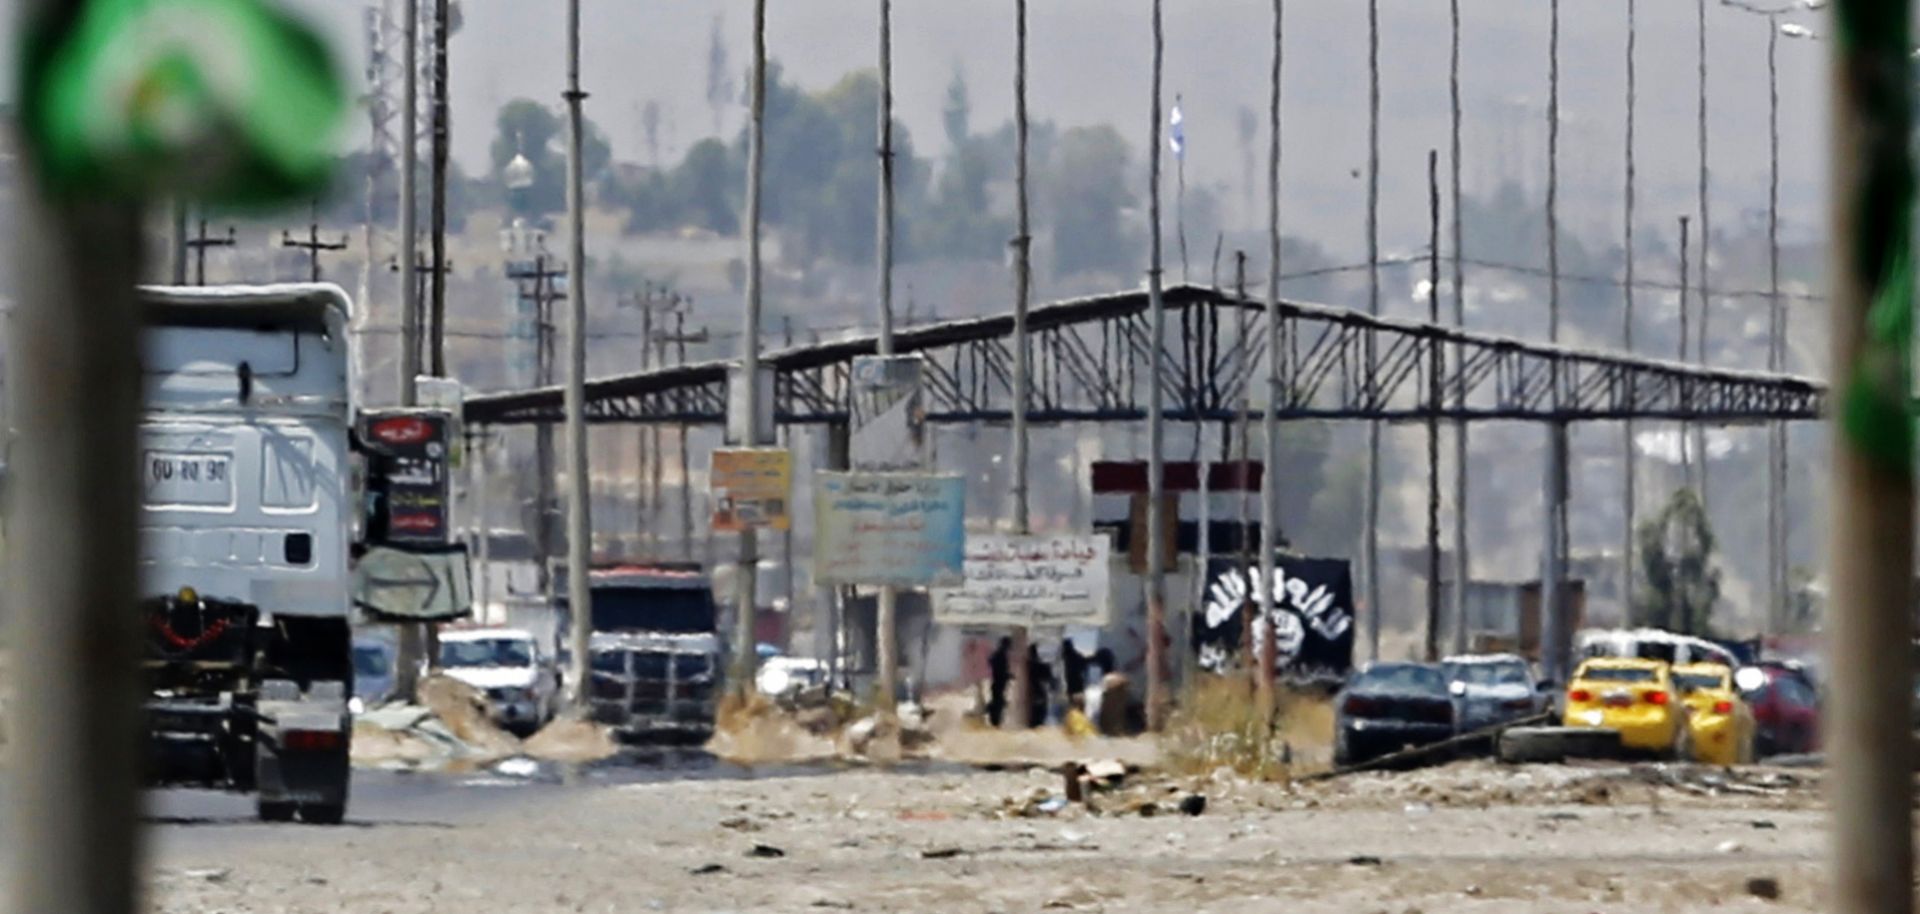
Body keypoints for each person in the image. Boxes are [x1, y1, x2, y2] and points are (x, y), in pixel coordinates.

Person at [986, 636, 1012, 727]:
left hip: (996, 682)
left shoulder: (998, 654)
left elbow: (990, 661)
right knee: (998, 701)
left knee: (997, 700)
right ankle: (995, 720)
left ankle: (994, 719)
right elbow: (1002, 671)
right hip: (999, 683)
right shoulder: (1002, 655)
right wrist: (1008, 676)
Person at [1026, 644, 1052, 727]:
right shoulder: (1036, 664)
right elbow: (1047, 676)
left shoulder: (1028, 663)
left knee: (1036, 710)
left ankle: (1035, 723)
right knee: (1039, 710)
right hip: (1038, 689)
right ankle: (1037, 723)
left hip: (1033, 690)